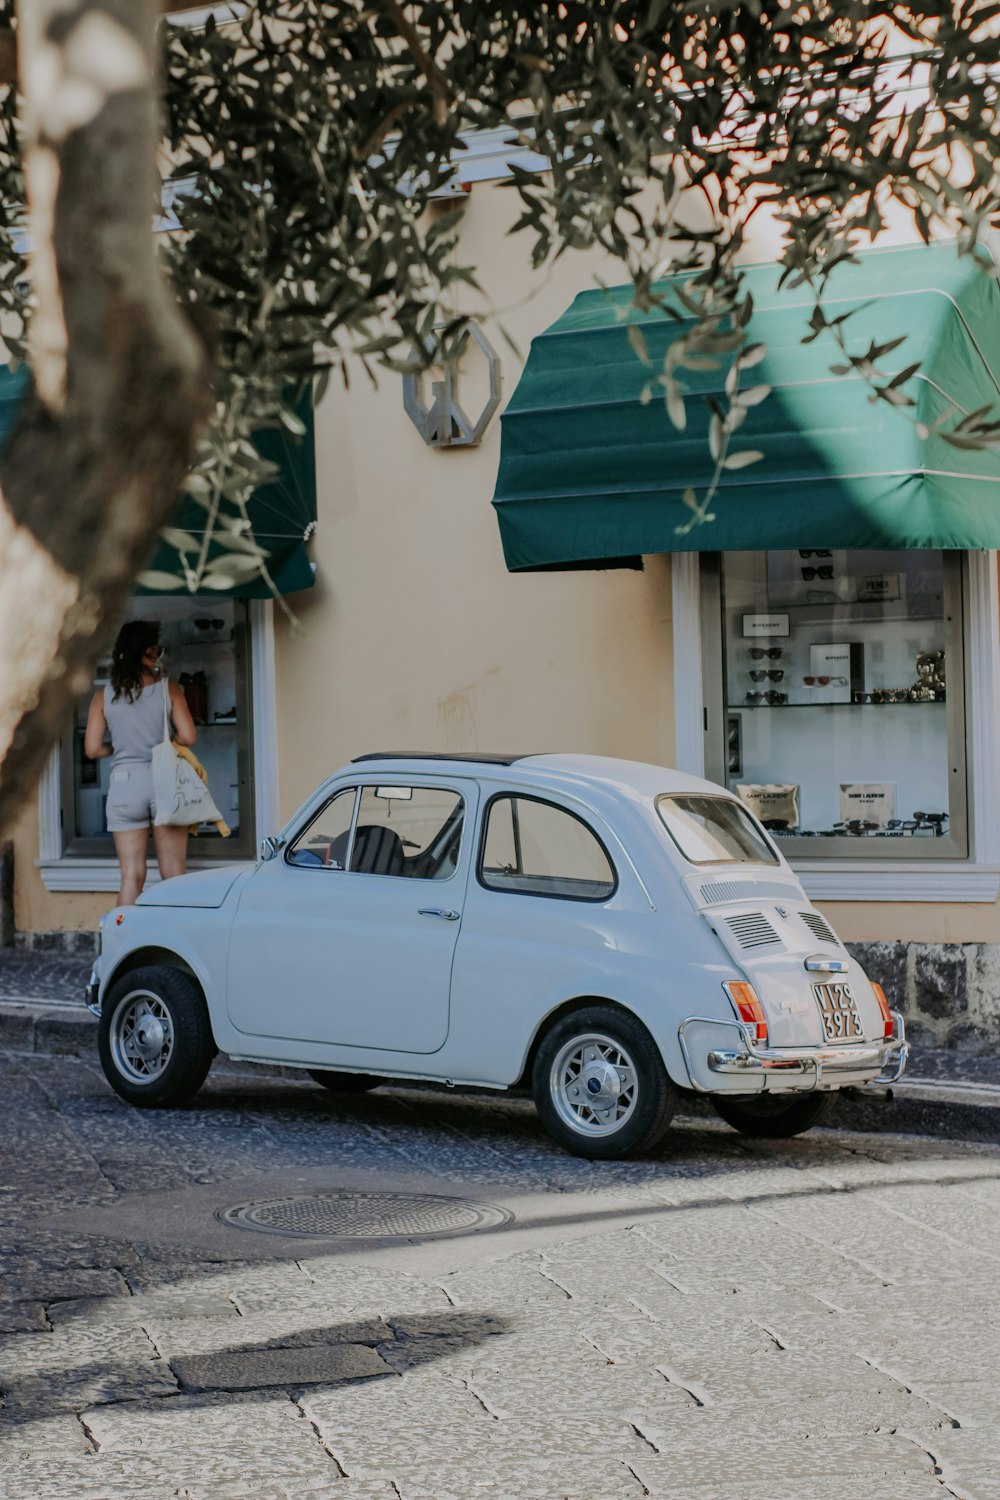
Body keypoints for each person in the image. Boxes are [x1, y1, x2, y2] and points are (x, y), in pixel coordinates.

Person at [84, 619, 197, 906]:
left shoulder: (103, 695)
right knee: (174, 875)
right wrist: (166, 744)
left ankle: (123, 945)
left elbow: (93, 749)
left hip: (124, 784)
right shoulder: (167, 688)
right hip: (164, 782)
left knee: (131, 876)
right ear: (149, 651)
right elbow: (188, 735)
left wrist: (117, 748)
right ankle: (173, 945)